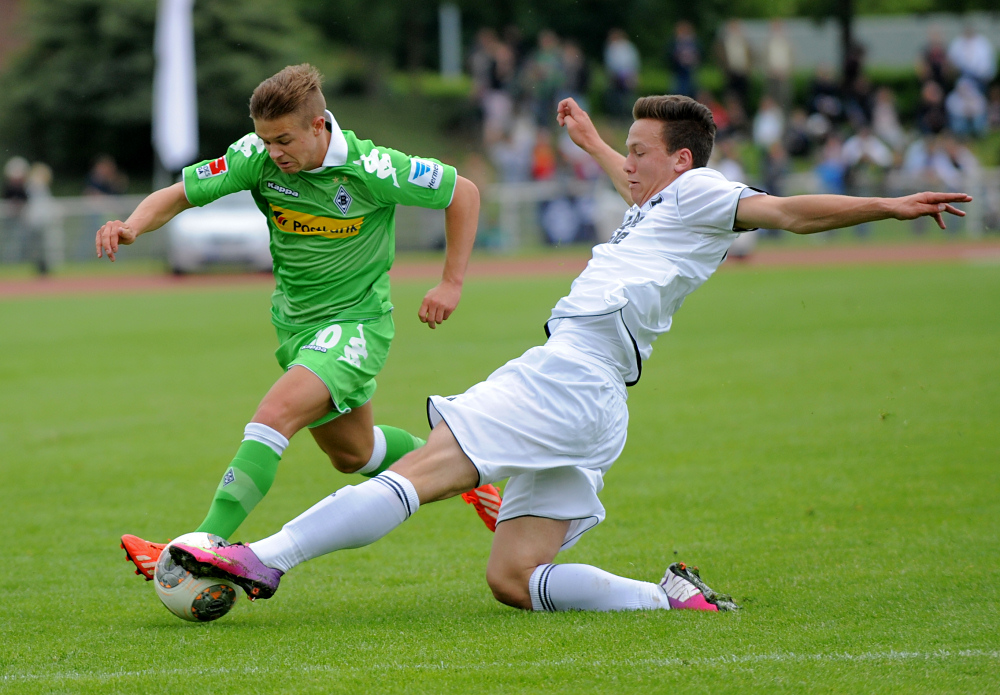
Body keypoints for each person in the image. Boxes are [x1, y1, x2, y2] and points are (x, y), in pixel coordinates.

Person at [169, 94, 970, 614]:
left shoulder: (701, 194)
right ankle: (672, 600)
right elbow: (628, 183)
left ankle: (261, 557)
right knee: (514, 579)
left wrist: (888, 204)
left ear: (681, 161)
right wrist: (589, 139)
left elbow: (788, 211)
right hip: (599, 404)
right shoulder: (660, 203)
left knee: (427, 467)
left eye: (640, 149)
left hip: (571, 373)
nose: (628, 163)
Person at [98, 64, 499, 581]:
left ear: (318, 126)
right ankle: (466, 474)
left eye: (283, 139)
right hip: (295, 327)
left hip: (355, 325)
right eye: (266, 140)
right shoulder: (256, 156)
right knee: (356, 453)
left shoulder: (371, 166)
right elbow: (178, 193)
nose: (273, 152)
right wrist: (131, 225)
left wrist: (451, 282)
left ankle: (198, 547)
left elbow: (461, 192)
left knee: (274, 415)